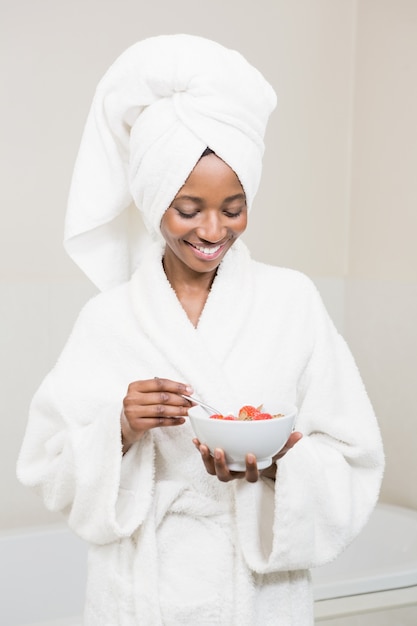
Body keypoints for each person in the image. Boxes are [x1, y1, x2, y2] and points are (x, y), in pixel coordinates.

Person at [17, 34, 384, 626]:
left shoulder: (292, 302)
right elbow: (46, 463)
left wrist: (277, 466)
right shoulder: (109, 319)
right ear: (153, 200)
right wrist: (120, 427)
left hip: (257, 601)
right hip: (138, 599)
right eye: (189, 209)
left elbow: (354, 456)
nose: (213, 230)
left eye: (233, 207)